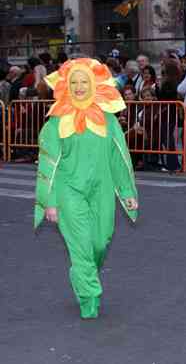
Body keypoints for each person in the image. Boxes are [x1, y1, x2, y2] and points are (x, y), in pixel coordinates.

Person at [34, 58, 138, 319]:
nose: (79, 87)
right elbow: (48, 165)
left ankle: (81, 273)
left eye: (84, 81)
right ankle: (89, 297)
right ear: (66, 86)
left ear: (94, 84)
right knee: (81, 246)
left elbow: (118, 158)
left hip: (102, 189)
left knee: (100, 242)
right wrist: (50, 201)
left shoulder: (108, 120)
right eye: (74, 82)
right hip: (69, 191)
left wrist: (127, 192)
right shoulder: (55, 123)